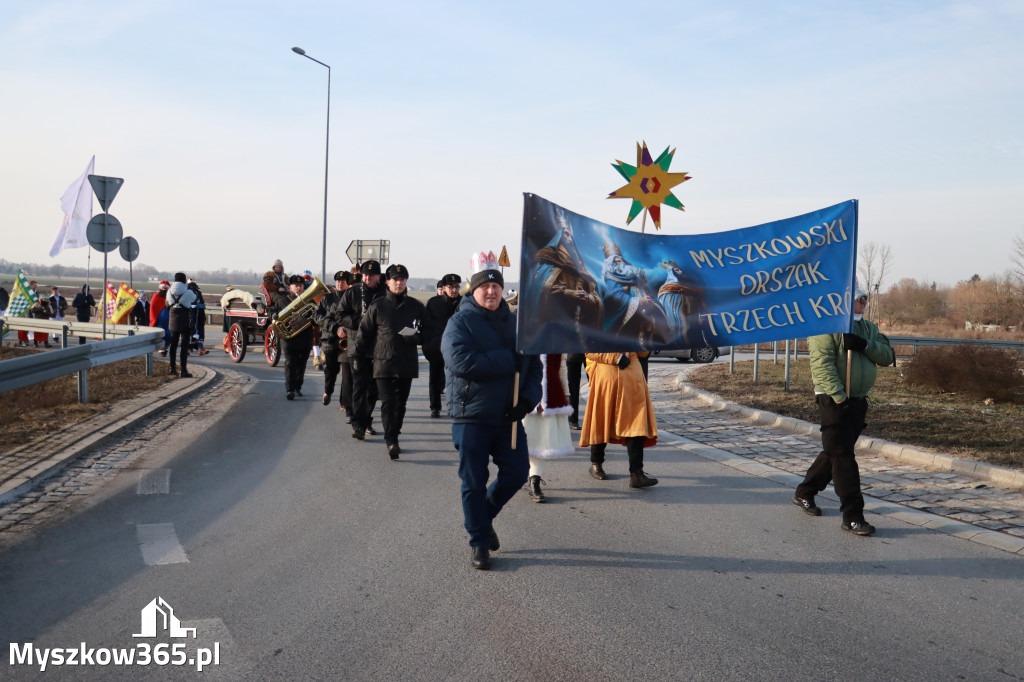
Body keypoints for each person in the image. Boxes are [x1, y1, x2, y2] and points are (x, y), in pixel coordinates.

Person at [442, 262, 542, 570]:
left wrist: (526, 400)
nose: (491, 291)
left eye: (496, 286)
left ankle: (482, 518)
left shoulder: (516, 325)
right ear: (474, 290)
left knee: (515, 472)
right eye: (485, 286)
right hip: (470, 414)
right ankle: (479, 542)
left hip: (508, 416)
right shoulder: (460, 322)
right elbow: (462, 362)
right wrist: (505, 359)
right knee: (473, 480)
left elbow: (533, 368)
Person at [793, 286, 895, 536]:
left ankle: (805, 491)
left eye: (865, 298)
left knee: (836, 451)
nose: (863, 302)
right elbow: (822, 365)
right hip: (833, 400)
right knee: (843, 457)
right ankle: (853, 515)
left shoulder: (868, 328)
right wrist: (840, 398)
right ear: (844, 301)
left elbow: (887, 356)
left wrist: (864, 344)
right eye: (859, 298)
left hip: (858, 399)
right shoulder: (825, 327)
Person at [357, 264, 427, 459]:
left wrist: (418, 338)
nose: (399, 283)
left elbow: (428, 331)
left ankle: (395, 433)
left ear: (406, 282)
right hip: (383, 361)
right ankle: (391, 441)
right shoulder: (377, 306)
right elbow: (364, 334)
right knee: (388, 402)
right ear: (387, 282)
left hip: (406, 362)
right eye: (395, 279)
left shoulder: (415, 306)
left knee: (400, 404)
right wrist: (359, 358)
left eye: (402, 279)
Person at [579, 352, 659, 488]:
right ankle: (596, 463)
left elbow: (642, 352)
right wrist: (615, 358)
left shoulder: (635, 328)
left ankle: (636, 473)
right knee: (602, 421)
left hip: (633, 377)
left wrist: (645, 340)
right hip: (607, 375)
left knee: (636, 423)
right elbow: (591, 350)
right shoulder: (599, 328)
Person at [338, 260, 386, 439]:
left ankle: (366, 420)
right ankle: (358, 425)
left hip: (379, 348)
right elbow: (340, 314)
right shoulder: (352, 292)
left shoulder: (385, 294)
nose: (367, 278)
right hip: (357, 347)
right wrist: (360, 323)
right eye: (365, 275)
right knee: (359, 387)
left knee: (374, 390)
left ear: (378, 277)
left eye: (371, 276)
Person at [521, 353, 574, 502]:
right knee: (522, 440)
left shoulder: (556, 337)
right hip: (525, 393)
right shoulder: (524, 333)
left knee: (542, 442)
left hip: (551, 393)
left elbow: (562, 367)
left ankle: (535, 480)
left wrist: (565, 392)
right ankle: (517, 474)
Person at [312, 270, 353, 416]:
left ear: (348, 283)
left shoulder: (351, 299)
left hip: (346, 342)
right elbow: (317, 316)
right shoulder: (327, 299)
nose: (340, 283)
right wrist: (334, 327)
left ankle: (345, 402)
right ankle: (328, 391)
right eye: (337, 281)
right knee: (331, 371)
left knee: (348, 373)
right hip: (329, 340)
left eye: (343, 281)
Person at [422, 273, 461, 419]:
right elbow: (426, 325)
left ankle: (456, 406)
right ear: (444, 288)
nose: (454, 290)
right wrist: (427, 345)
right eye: (450, 287)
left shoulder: (463, 303)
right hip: (436, 347)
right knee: (435, 377)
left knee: (456, 379)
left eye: (457, 287)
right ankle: (435, 407)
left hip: (456, 348)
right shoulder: (433, 303)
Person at [272, 274, 315, 399]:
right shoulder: (282, 301)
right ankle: (290, 389)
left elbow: (317, 318)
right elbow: (272, 312)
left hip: (305, 338)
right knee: (290, 363)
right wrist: (274, 316)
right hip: (289, 339)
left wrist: (308, 318)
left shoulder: (309, 301)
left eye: (300, 286)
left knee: (302, 364)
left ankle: (297, 387)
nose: (298, 288)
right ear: (290, 287)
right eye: (296, 286)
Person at [165, 273, 197, 378]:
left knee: (173, 346)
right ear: (184, 281)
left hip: (173, 321)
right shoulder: (188, 292)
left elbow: (167, 303)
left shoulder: (169, 291)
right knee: (184, 346)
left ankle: (172, 368)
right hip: (185, 321)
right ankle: (183, 370)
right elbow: (194, 298)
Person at [187, 280, 208, 355]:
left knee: (197, 330)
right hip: (192, 314)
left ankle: (199, 348)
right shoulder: (194, 292)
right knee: (194, 330)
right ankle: (195, 348)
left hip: (198, 314)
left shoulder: (197, 292)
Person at [149, 280, 171, 355]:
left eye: (165, 288)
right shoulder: (156, 296)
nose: (164, 289)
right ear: (160, 288)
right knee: (161, 333)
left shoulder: (170, 297)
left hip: (168, 319)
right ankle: (162, 348)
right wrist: (153, 319)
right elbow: (153, 308)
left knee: (168, 333)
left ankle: (165, 345)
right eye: (162, 288)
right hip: (159, 319)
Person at [566, 353, 586, 429]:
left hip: (590, 353)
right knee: (572, 388)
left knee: (595, 387)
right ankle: (573, 420)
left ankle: (573, 420)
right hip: (572, 352)